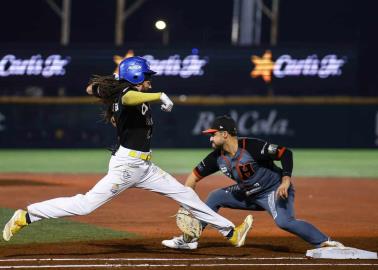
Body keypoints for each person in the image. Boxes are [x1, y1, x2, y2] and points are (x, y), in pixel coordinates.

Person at [2, 57, 253, 247]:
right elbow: (129, 98)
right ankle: (26, 216)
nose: (149, 80)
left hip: (144, 168)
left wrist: (112, 82)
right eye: (145, 76)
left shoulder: (124, 91)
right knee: (85, 205)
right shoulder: (127, 94)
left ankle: (231, 233)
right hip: (126, 167)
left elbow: (92, 89)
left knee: (186, 195)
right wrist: (159, 95)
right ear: (133, 78)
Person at [162, 115, 344, 250]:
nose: (210, 138)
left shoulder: (252, 147)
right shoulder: (216, 158)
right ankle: (189, 239)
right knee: (215, 196)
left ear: (224, 134)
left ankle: (325, 242)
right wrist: (187, 203)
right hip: (247, 193)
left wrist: (286, 180)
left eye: (213, 134)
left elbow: (286, 153)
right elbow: (193, 177)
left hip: (273, 190)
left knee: (284, 222)